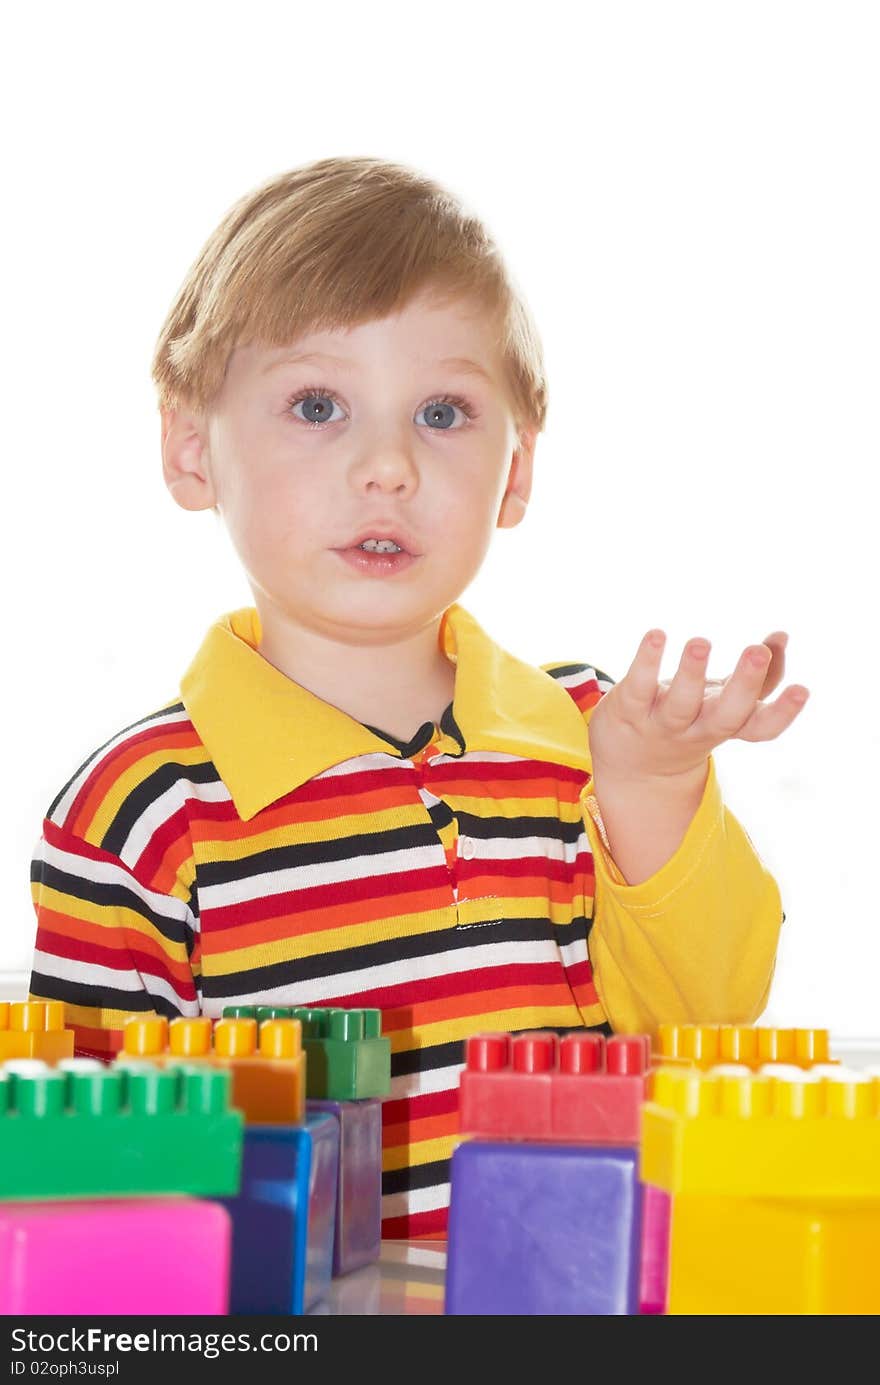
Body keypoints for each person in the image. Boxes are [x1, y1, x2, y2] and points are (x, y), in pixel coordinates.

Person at [28, 155, 809, 1239]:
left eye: (442, 411)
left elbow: (716, 1005)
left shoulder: (597, 735)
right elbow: (88, 1183)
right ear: (190, 446)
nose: (387, 464)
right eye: (316, 404)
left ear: (517, 470)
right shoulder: (140, 808)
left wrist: (656, 786)